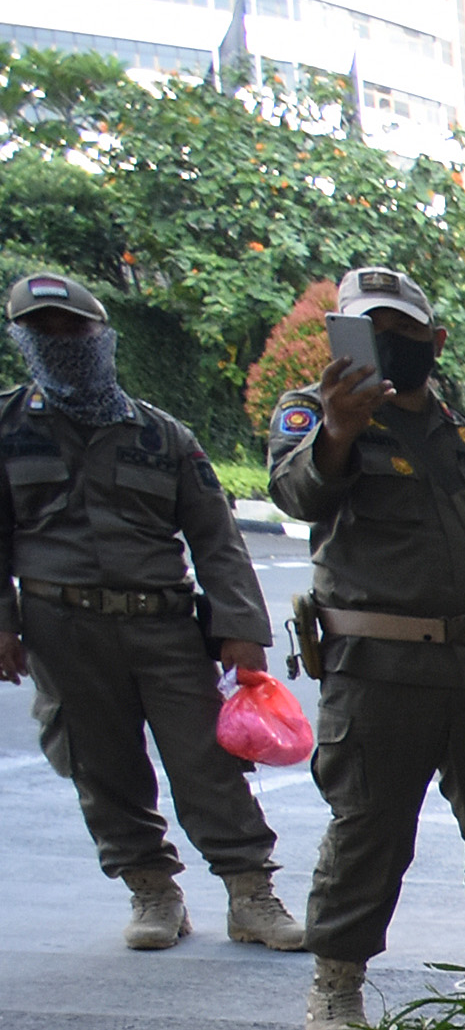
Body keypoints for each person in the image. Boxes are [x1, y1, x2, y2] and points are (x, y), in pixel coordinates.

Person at [266, 266, 465, 1030]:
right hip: (376, 675)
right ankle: (336, 988)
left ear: (433, 343)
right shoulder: (316, 416)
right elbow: (296, 494)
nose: (385, 345)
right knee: (369, 835)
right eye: (367, 330)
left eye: (402, 334)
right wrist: (339, 430)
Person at [0, 271, 301, 954]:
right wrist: (4, 626)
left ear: (101, 338)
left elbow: (217, 540)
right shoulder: (8, 428)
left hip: (163, 624)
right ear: (22, 340)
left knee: (208, 761)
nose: (60, 344)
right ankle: (152, 890)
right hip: (62, 627)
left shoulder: (161, 435)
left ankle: (250, 893)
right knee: (101, 767)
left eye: (73, 331)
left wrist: (240, 632)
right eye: (42, 332)